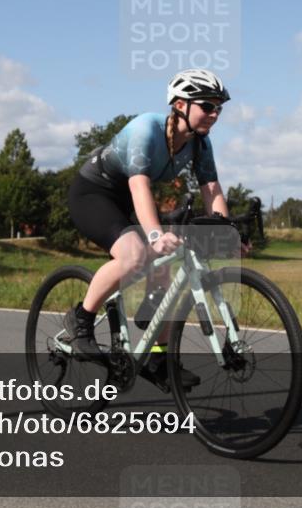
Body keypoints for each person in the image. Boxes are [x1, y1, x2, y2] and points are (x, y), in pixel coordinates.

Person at [65, 69, 233, 390]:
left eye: (218, 108)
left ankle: (157, 356)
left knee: (177, 257)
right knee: (134, 254)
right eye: (207, 106)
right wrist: (155, 234)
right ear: (181, 105)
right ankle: (81, 319)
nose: (214, 114)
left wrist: (225, 230)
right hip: (94, 193)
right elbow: (139, 184)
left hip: (129, 197)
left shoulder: (200, 143)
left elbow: (211, 187)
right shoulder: (146, 128)